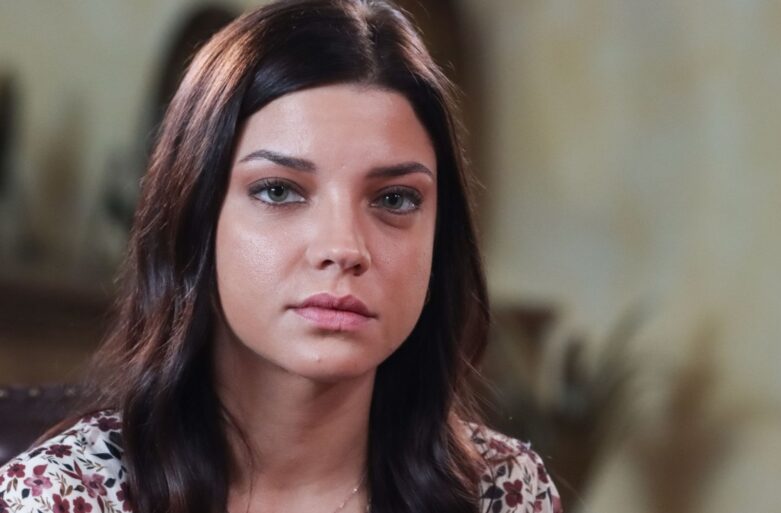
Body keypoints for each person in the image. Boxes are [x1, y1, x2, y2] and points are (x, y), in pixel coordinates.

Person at [0, 1, 562, 512]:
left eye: (394, 199)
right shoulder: (65, 497)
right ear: (195, 217)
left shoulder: (504, 491)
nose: (343, 248)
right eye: (278, 190)